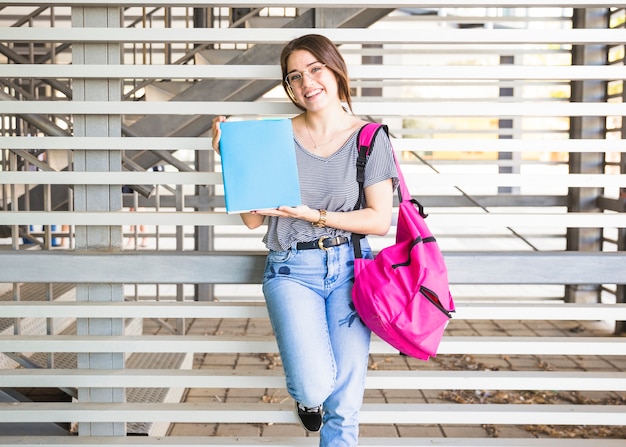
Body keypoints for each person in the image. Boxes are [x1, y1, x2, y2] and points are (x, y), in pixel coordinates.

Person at [212, 34, 398, 447]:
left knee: (345, 407)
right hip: (292, 269)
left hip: (353, 270)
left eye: (315, 69)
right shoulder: (273, 136)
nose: (306, 82)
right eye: (294, 77)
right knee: (315, 388)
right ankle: (308, 402)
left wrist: (315, 215)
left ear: (335, 70)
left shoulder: (370, 137)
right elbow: (251, 218)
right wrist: (231, 158)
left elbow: (379, 220)